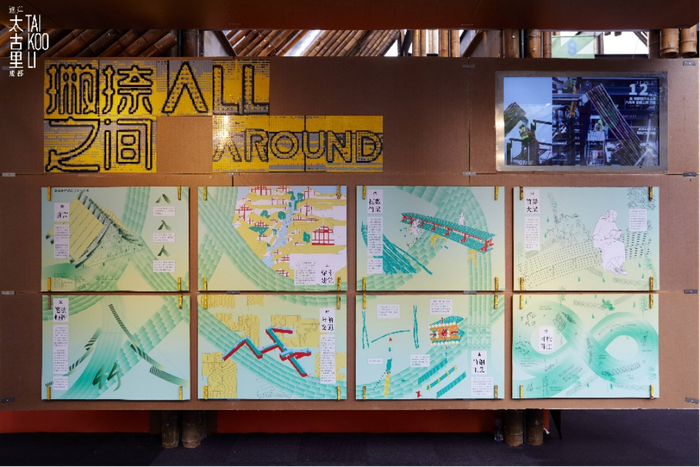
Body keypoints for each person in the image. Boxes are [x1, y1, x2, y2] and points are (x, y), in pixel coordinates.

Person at [592, 209, 627, 275]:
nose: (613, 220)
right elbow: (594, 235)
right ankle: (619, 267)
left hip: (611, 241)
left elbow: (616, 232)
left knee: (621, 245)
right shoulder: (601, 222)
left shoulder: (613, 223)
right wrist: (603, 237)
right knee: (609, 249)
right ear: (609, 216)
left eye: (614, 219)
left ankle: (612, 267)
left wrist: (618, 234)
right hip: (601, 241)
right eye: (612, 218)